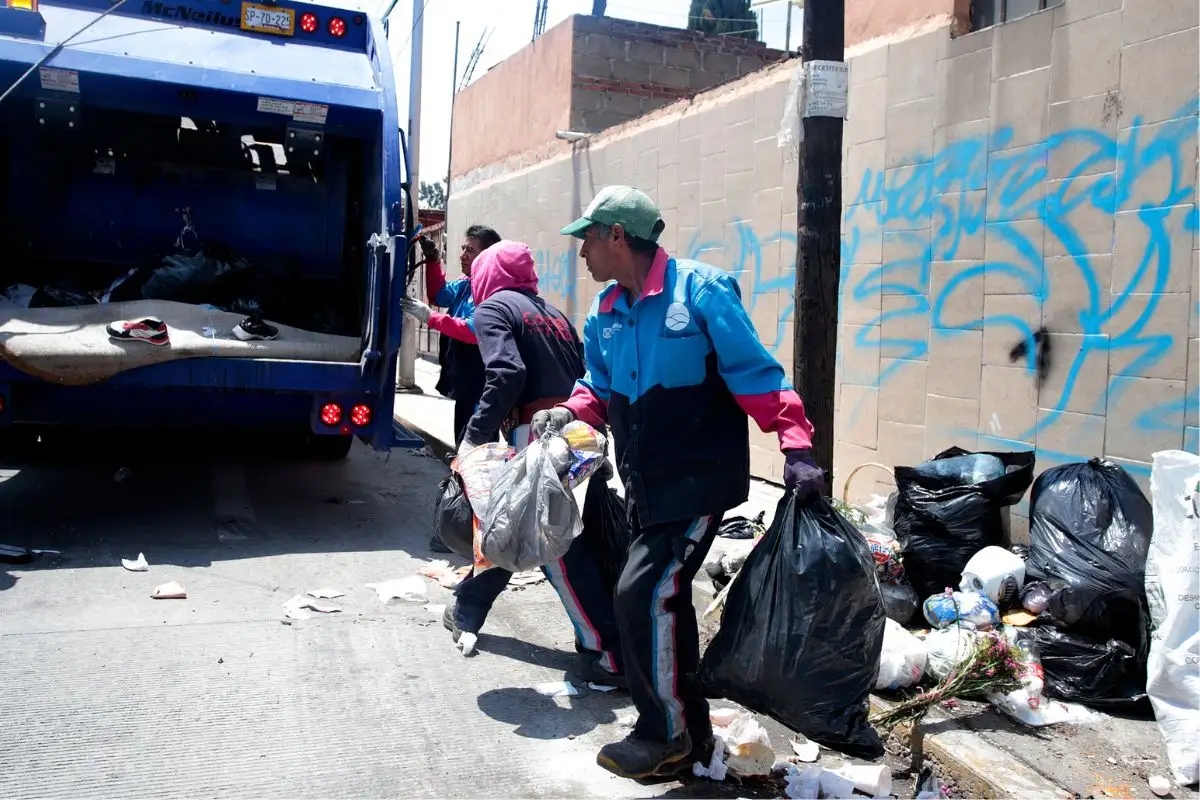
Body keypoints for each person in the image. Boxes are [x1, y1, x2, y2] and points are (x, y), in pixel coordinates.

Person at [533, 185, 824, 779]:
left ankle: (663, 735)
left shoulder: (702, 291)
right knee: (664, 600)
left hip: (697, 478)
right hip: (647, 484)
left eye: (588, 237)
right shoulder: (605, 313)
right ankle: (690, 732)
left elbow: (754, 371)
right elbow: (599, 387)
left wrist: (794, 443)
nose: (581, 251)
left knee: (640, 591)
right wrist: (569, 412)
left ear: (617, 236)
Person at [443, 240, 624, 687]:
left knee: (554, 550)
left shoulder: (493, 309)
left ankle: (607, 654)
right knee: (514, 528)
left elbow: (506, 374)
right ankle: (467, 605)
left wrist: (471, 440)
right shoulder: (553, 315)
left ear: (486, 273)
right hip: (580, 434)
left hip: (539, 434)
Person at [401, 225, 501, 448]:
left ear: (487, 256)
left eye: (470, 250)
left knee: (477, 444)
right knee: (463, 435)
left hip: (480, 382)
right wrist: (433, 261)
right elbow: (439, 295)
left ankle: (471, 478)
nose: (462, 255)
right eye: (463, 248)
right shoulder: (467, 284)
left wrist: (431, 317)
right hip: (465, 381)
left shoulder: (491, 291)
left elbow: (472, 330)